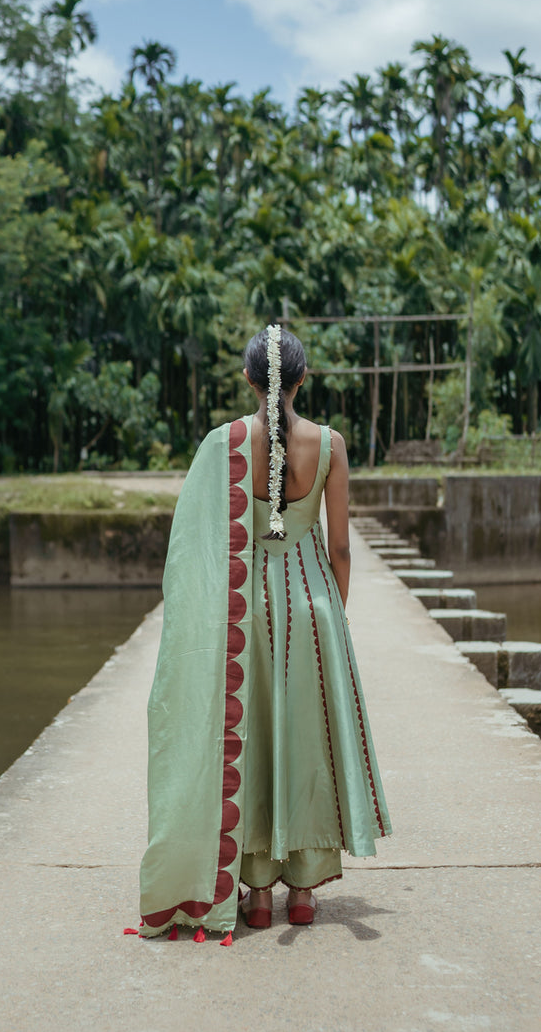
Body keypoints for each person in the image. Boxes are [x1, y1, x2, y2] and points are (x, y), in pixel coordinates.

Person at [137, 325, 391, 938]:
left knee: (246, 743)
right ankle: (302, 891)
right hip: (311, 606)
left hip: (244, 608)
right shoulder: (329, 444)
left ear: (249, 380)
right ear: (303, 379)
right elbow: (339, 548)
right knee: (304, 743)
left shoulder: (227, 445)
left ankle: (253, 896)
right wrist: (332, 616)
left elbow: (193, 549)